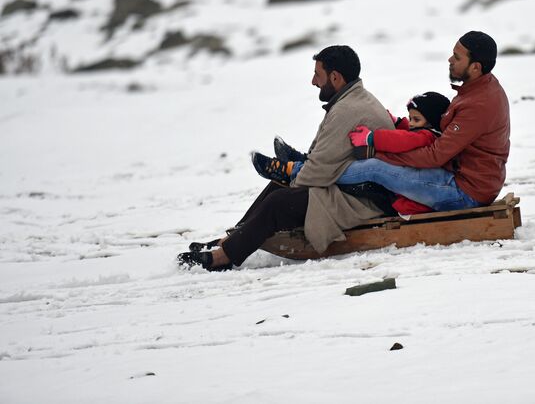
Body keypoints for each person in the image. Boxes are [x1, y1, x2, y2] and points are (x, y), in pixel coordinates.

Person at [177, 45, 394, 271]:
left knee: (279, 201)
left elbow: (318, 170)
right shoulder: (352, 100)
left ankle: (223, 258)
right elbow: (322, 161)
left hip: (362, 202)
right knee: (277, 186)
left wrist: (291, 185)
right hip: (348, 188)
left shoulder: (348, 109)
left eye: (317, 75)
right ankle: (231, 241)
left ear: (335, 77)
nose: (313, 81)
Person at [335, 31, 510, 212]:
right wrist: (401, 125)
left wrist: (379, 153)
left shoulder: (478, 105)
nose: (450, 59)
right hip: (467, 178)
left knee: (376, 168)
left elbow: (435, 156)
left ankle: (321, 175)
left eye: (457, 58)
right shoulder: (480, 88)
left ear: (475, 67)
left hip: (465, 192)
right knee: (382, 165)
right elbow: (441, 134)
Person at [254, 91, 452, 215]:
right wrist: (397, 122)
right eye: (411, 119)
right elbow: (408, 133)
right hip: (397, 188)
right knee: (361, 165)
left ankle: (294, 169)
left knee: (366, 168)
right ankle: (306, 162)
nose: (411, 124)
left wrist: (372, 138)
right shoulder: (424, 132)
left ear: (432, 122)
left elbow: (404, 139)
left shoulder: (427, 136)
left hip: (401, 198)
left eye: (415, 120)